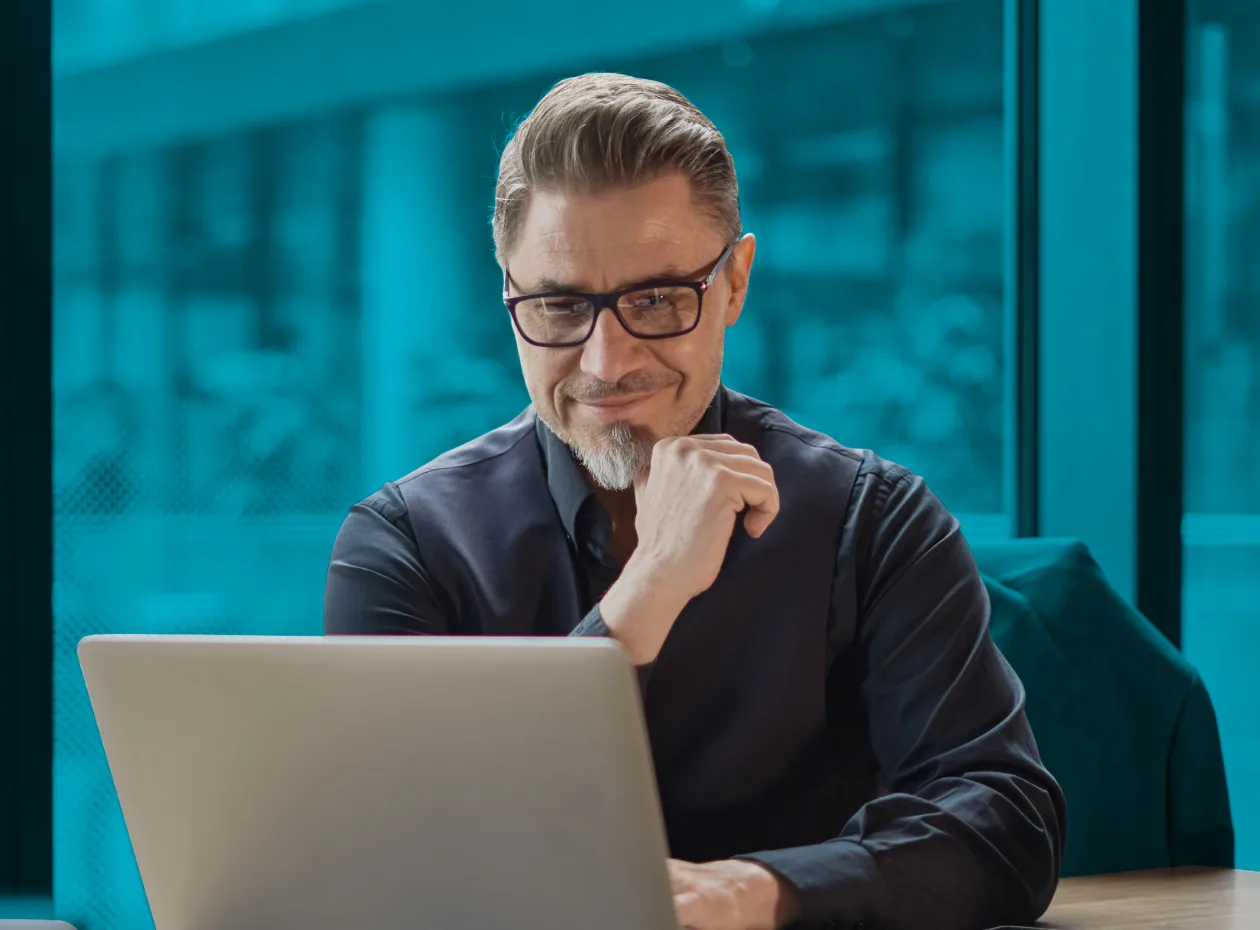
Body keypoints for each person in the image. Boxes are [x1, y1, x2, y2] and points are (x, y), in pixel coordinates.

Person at [324, 72, 1066, 930]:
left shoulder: (874, 518)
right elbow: (396, 858)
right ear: (508, 295)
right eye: (561, 306)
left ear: (736, 283)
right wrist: (647, 593)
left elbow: (1007, 824)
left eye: (655, 300)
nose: (606, 361)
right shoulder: (402, 544)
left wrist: (753, 891)